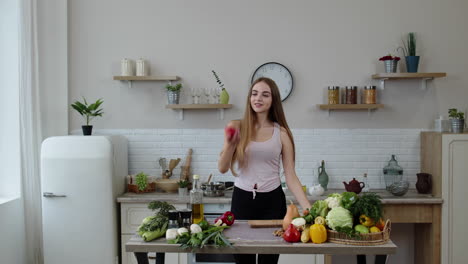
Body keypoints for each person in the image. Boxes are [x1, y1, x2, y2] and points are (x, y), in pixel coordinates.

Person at [218, 77, 311, 264]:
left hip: (273, 203)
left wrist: (307, 206)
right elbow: (222, 168)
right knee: (243, 261)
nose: (258, 98)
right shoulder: (237, 127)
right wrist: (230, 144)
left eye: (265, 94)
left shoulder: (282, 133)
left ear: (273, 100)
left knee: (269, 261)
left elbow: (290, 175)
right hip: (242, 200)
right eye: (254, 93)